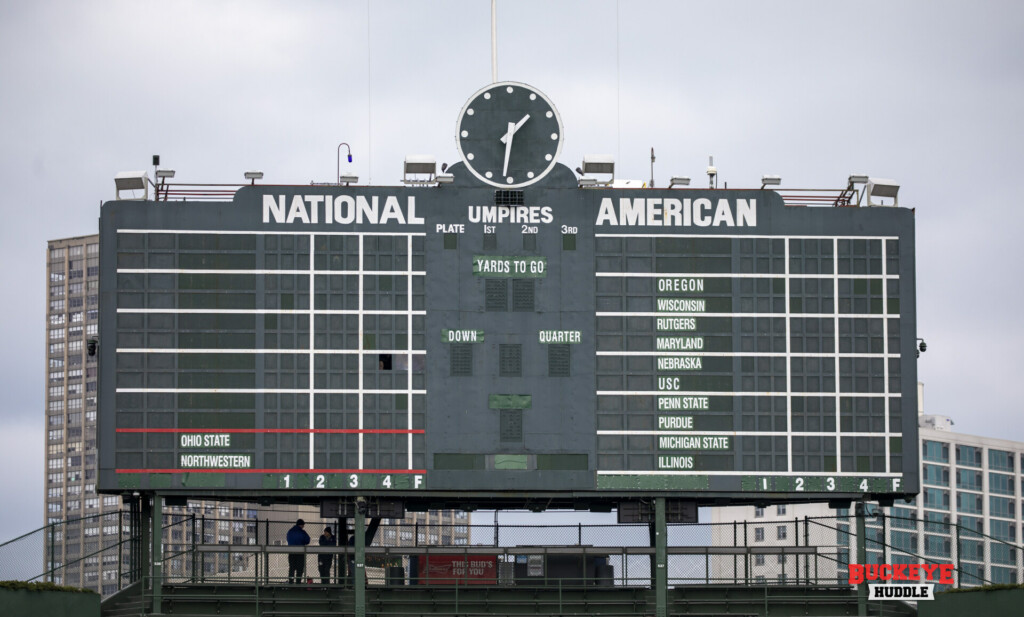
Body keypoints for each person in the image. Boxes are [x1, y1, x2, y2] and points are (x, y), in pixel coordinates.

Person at [286, 519, 310, 584]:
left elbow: (288, 540)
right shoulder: (302, 532)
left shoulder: (290, 531)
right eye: (303, 525)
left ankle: (291, 582)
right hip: (300, 553)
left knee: (292, 568)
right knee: (299, 568)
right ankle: (298, 582)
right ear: (301, 525)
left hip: (291, 553)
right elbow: (307, 540)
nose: (303, 527)